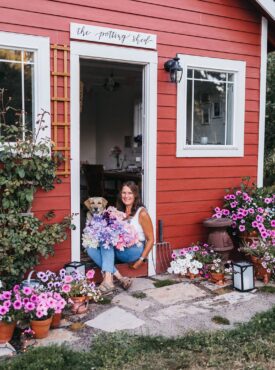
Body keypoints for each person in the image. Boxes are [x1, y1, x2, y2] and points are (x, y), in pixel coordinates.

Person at [87, 181, 154, 294]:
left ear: (135, 195)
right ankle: (120, 278)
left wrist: (141, 260)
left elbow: (151, 239)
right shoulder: (118, 210)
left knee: (106, 240)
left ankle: (108, 281)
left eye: (130, 193)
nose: (126, 196)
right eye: (124, 193)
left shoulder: (141, 213)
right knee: (91, 249)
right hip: (120, 248)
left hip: (134, 250)